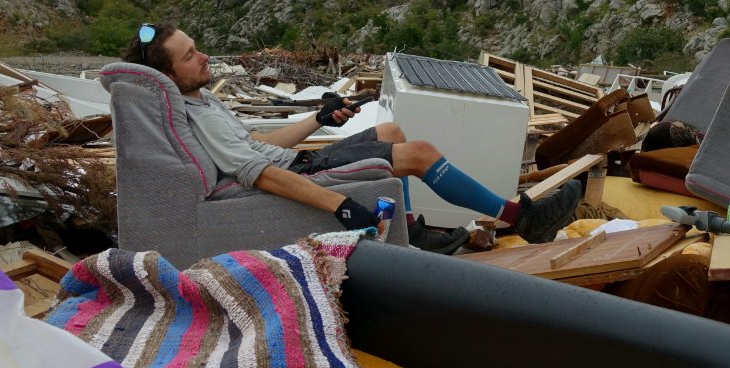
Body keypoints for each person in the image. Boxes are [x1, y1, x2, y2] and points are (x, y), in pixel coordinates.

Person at [122, 23, 581, 255]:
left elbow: (261, 142)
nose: (203, 57)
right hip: (295, 176)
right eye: (190, 56)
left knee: (392, 131)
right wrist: (338, 205)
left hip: (292, 160)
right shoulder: (190, 113)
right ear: (167, 74)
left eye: (196, 47)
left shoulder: (201, 101)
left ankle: (412, 230)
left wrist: (319, 118)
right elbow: (259, 172)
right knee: (418, 153)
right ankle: (521, 217)